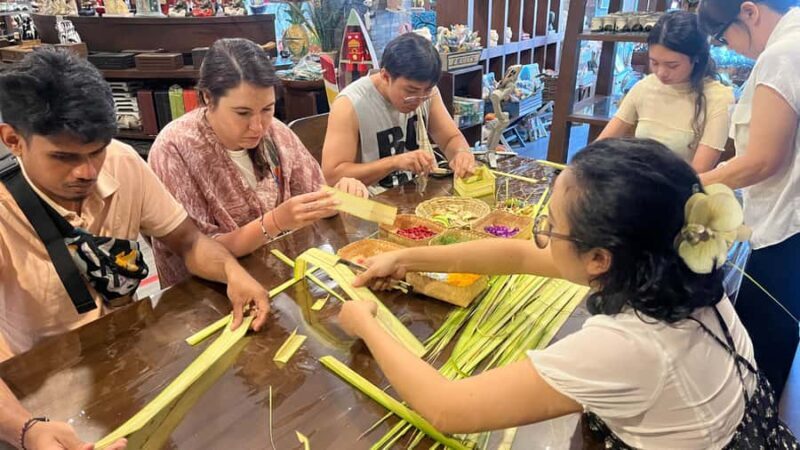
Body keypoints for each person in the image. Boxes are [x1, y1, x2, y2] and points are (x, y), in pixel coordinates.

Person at [338, 139, 798, 448]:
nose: (541, 234)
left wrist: (369, 326)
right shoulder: (679, 264)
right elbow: (518, 256)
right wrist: (405, 258)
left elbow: (446, 408)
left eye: (551, 227)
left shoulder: (629, 345)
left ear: (600, 258)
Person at [0, 49, 269, 449]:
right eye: (64, 157)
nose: (87, 172)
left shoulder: (122, 163)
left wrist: (233, 274)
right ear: (13, 140)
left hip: (128, 361)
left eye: (96, 151)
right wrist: (27, 430)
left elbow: (188, 241)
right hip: (38, 393)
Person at [148, 38, 369, 288]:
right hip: (210, 292)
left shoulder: (276, 133)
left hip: (280, 277)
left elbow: (314, 199)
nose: (258, 126)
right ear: (208, 98)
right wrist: (275, 221)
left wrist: (340, 194)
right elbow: (195, 250)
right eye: (242, 113)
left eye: (267, 109)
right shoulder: (174, 148)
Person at [697, 0, 800, 397]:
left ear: (750, 12)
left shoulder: (783, 54)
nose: (730, 48)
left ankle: (756, 425)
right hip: (785, 221)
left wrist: (694, 183)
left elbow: (762, 161)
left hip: (787, 228)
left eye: (725, 37)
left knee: (764, 334)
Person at [322, 32, 476, 190]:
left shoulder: (425, 93)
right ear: (385, 76)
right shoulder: (350, 104)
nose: (419, 99)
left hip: (415, 193)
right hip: (372, 202)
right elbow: (333, 175)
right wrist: (394, 162)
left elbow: (450, 138)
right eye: (410, 91)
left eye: (427, 90)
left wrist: (461, 153)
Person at [597, 11, 734, 173]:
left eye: (672, 65)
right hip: (636, 185)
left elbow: (697, 174)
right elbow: (601, 145)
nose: (661, 73)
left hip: (679, 192)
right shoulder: (645, 87)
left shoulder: (718, 98)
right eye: (654, 62)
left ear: (696, 58)